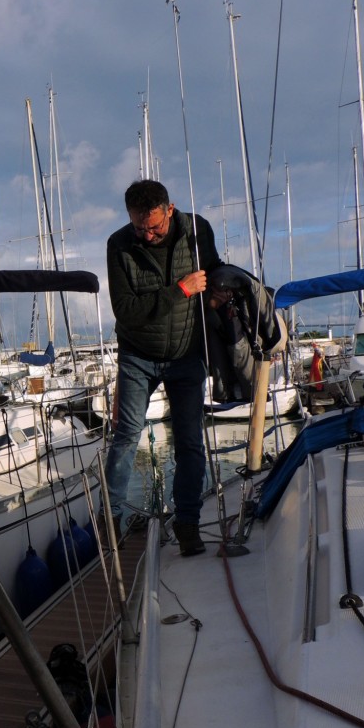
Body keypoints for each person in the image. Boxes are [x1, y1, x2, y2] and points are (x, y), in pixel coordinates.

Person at [104, 179, 223, 556]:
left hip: (188, 354)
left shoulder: (197, 229)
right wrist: (180, 291)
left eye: (153, 226)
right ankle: (112, 524)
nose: (147, 234)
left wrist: (221, 292)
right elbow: (126, 311)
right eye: (139, 227)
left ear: (169, 209)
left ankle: (187, 524)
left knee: (189, 443)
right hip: (138, 356)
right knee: (125, 437)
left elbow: (214, 270)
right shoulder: (119, 245)